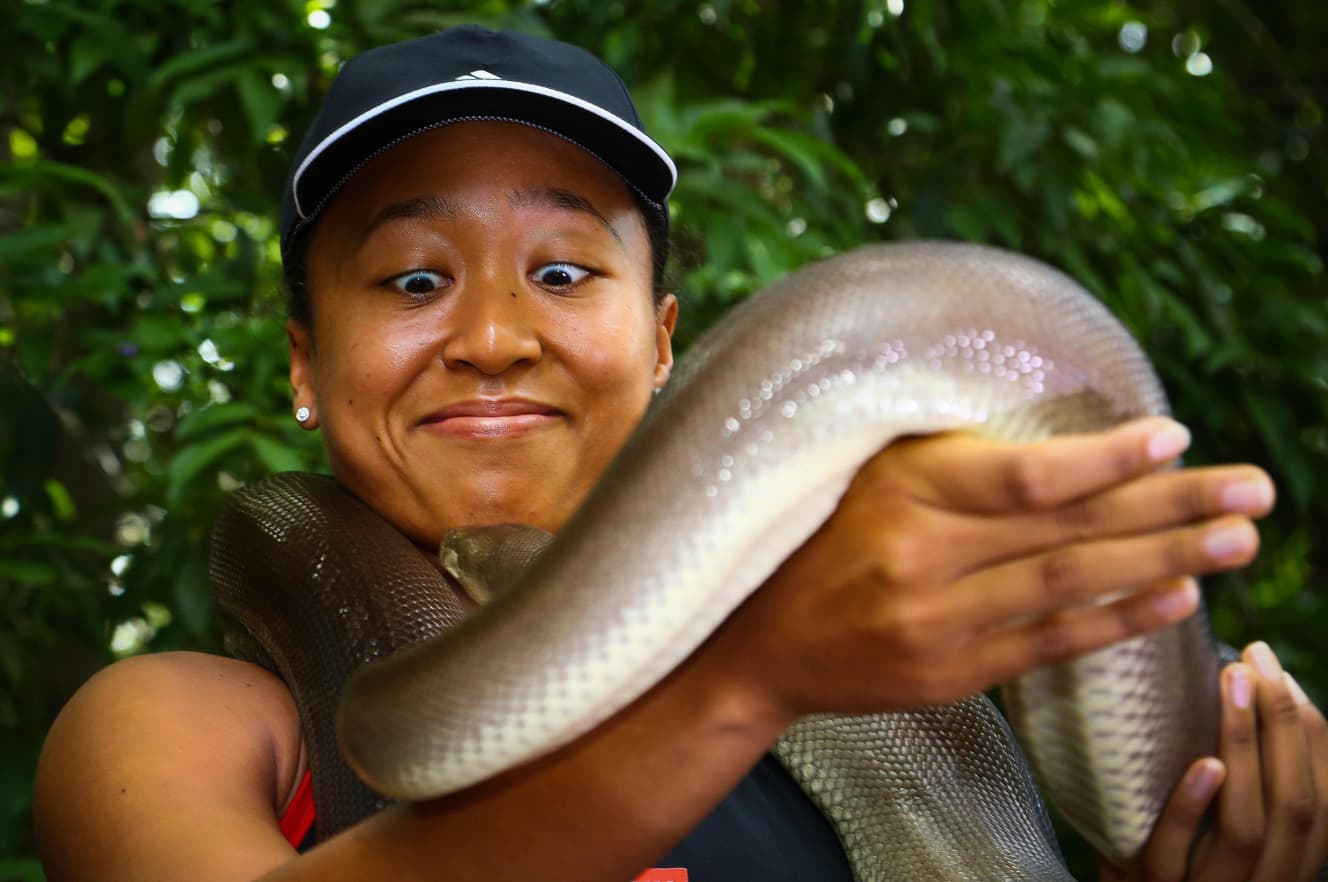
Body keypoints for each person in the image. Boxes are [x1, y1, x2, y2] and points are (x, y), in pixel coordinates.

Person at [34, 25, 1328, 882]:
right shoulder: (184, 723)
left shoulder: (879, 681)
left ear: (664, 347)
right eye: (415, 277)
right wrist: (744, 675)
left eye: (560, 268)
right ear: (308, 368)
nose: (492, 335)